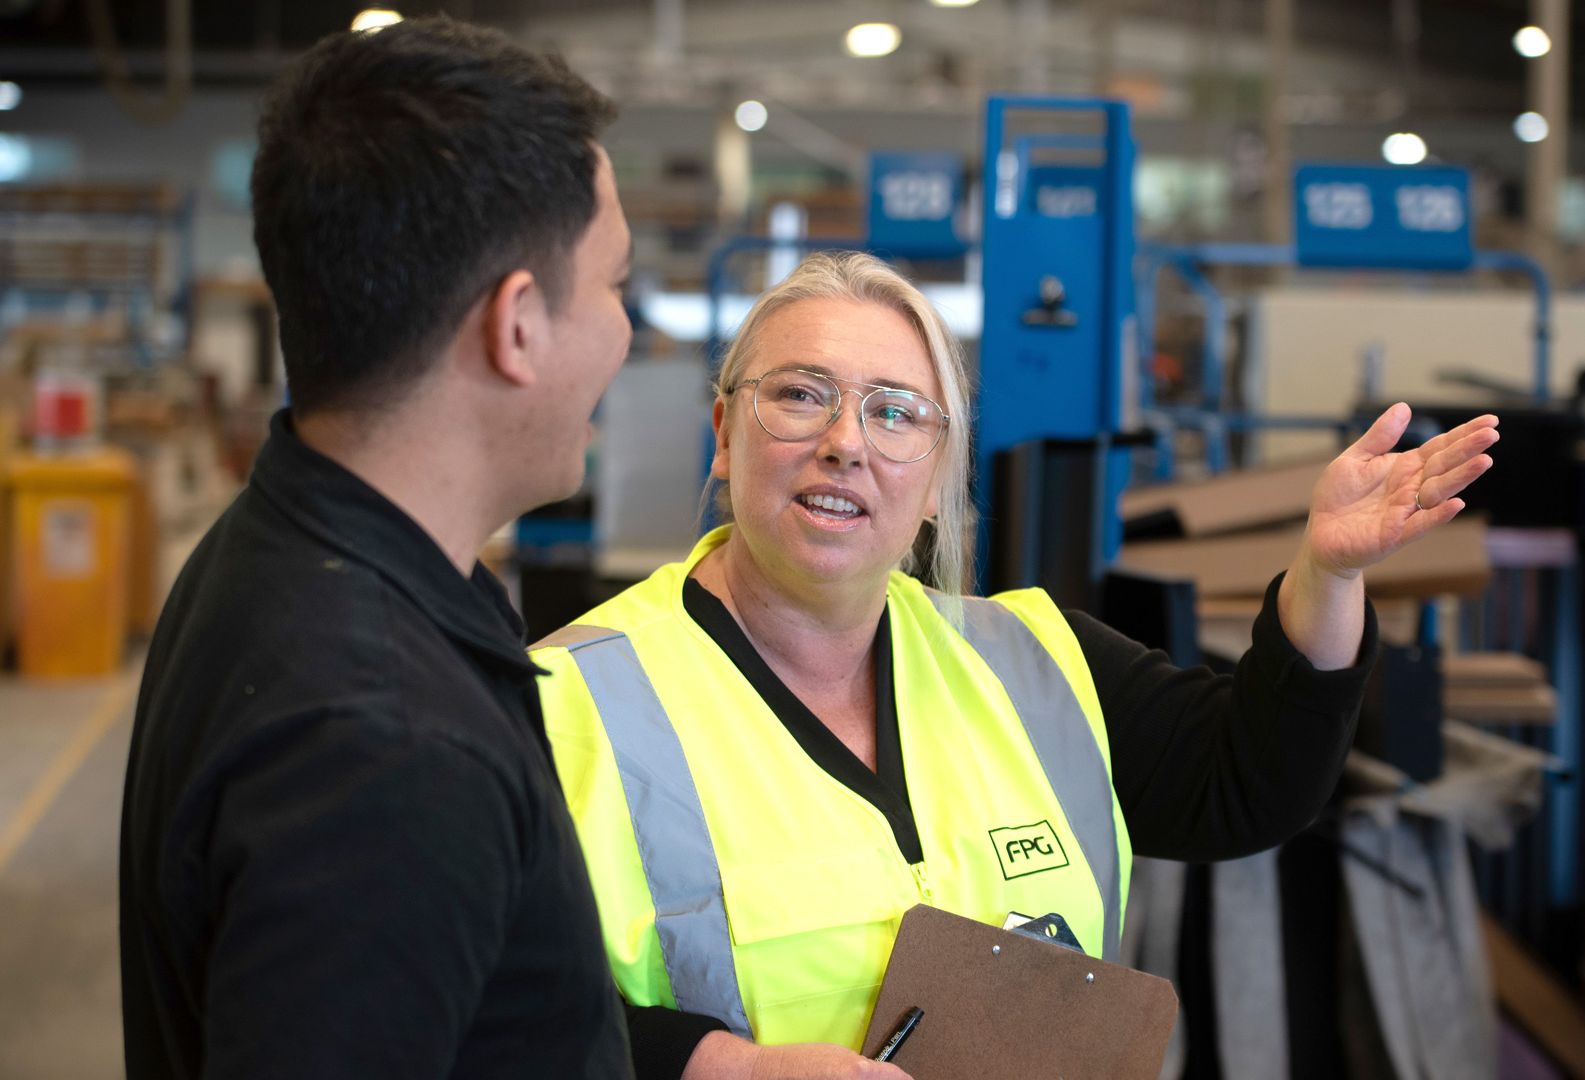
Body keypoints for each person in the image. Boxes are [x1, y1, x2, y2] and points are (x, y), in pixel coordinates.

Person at [534, 253, 1500, 1080]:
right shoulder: (563, 703)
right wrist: (712, 1067)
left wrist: (1328, 573)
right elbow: (475, 1008)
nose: (844, 444)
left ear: (935, 480)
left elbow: (1253, 785)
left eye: (896, 413)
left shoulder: (1037, 666)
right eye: (800, 395)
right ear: (724, 432)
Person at [120, 19, 635, 1079]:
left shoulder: (284, 540)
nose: (630, 335)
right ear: (519, 326)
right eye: (618, 285)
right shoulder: (385, 755)